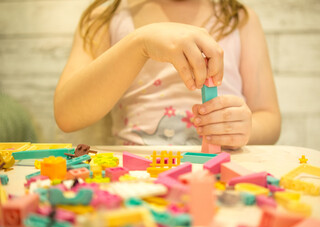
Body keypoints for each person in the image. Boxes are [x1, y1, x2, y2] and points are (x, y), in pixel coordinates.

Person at [54, 0, 281, 149]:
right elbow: (67, 114)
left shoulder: (241, 20)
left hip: (223, 171)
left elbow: (269, 117)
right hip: (136, 176)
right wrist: (139, 43)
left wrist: (248, 128)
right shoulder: (106, 18)